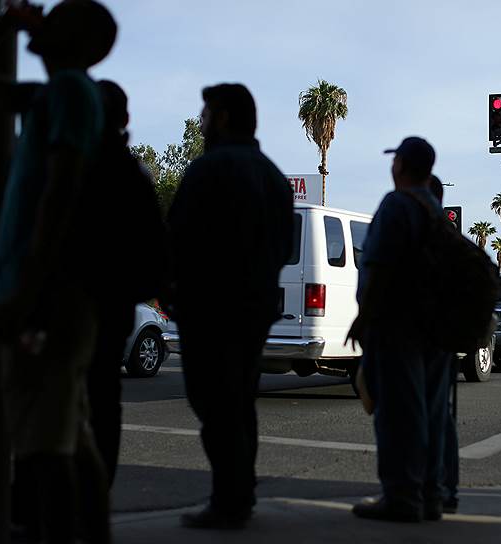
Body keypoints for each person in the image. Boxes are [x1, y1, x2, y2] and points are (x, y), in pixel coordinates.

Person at [0, 2, 116, 542]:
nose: (44, 17)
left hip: (46, 300)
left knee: (42, 452)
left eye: (56, 18)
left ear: (78, 41)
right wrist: (8, 24)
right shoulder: (54, 96)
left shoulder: (67, 94)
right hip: (51, 296)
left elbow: (59, 196)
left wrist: (26, 296)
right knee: (66, 439)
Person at [167, 83, 294, 529]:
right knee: (240, 402)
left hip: (209, 310)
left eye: (205, 112)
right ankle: (240, 493)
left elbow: (177, 242)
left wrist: (173, 294)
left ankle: (230, 499)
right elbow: (283, 248)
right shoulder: (274, 177)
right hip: (254, 310)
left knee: (215, 404)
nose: (200, 121)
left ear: (221, 118)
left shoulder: (209, 170)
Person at [347, 137, 450, 522]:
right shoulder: (436, 212)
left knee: (397, 414)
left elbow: (379, 266)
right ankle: (430, 496)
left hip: (397, 325)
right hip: (436, 327)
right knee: (431, 413)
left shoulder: (397, 206)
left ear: (402, 165)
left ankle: (401, 498)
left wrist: (364, 318)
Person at [84, 79, 167, 487]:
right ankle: (96, 494)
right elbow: (155, 250)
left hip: (66, 305)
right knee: (102, 403)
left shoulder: (68, 163)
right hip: (114, 305)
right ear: (126, 119)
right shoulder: (134, 174)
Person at [428, 174, 459, 513]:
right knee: (441, 415)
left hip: (414, 337)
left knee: (410, 413)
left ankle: (420, 491)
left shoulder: (405, 219)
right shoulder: (449, 234)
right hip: (444, 339)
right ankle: (445, 489)